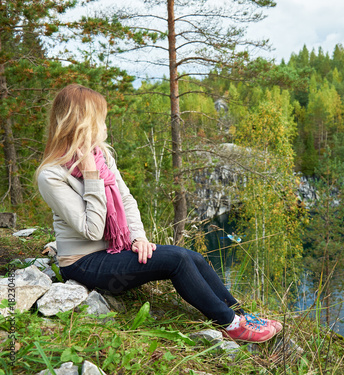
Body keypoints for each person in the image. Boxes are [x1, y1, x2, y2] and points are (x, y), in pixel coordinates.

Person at [36, 84, 282, 343]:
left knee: (192, 256)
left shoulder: (102, 157)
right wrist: (91, 176)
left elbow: (126, 200)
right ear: (82, 125)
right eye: (101, 121)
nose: (106, 128)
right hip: (84, 265)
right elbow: (93, 230)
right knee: (176, 259)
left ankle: (241, 316)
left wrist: (138, 238)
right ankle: (230, 324)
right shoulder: (51, 174)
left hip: (115, 252)